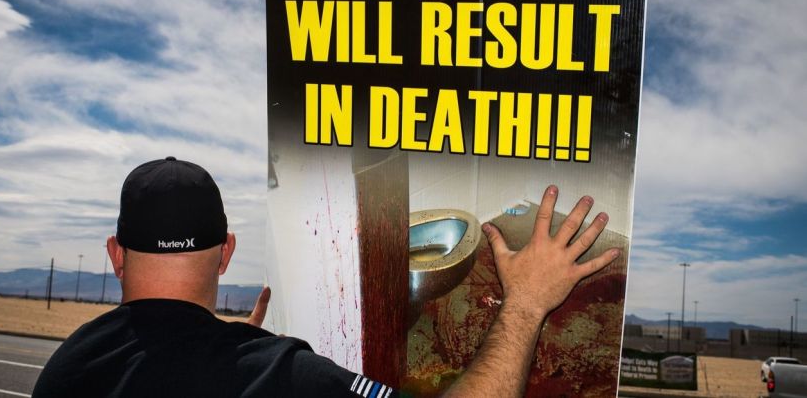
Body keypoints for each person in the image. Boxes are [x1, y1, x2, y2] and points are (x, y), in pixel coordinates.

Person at [33, 157, 620, 398]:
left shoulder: (67, 369)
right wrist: (526, 304)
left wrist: (215, 347)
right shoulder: (277, 376)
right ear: (226, 253)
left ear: (115, 253)